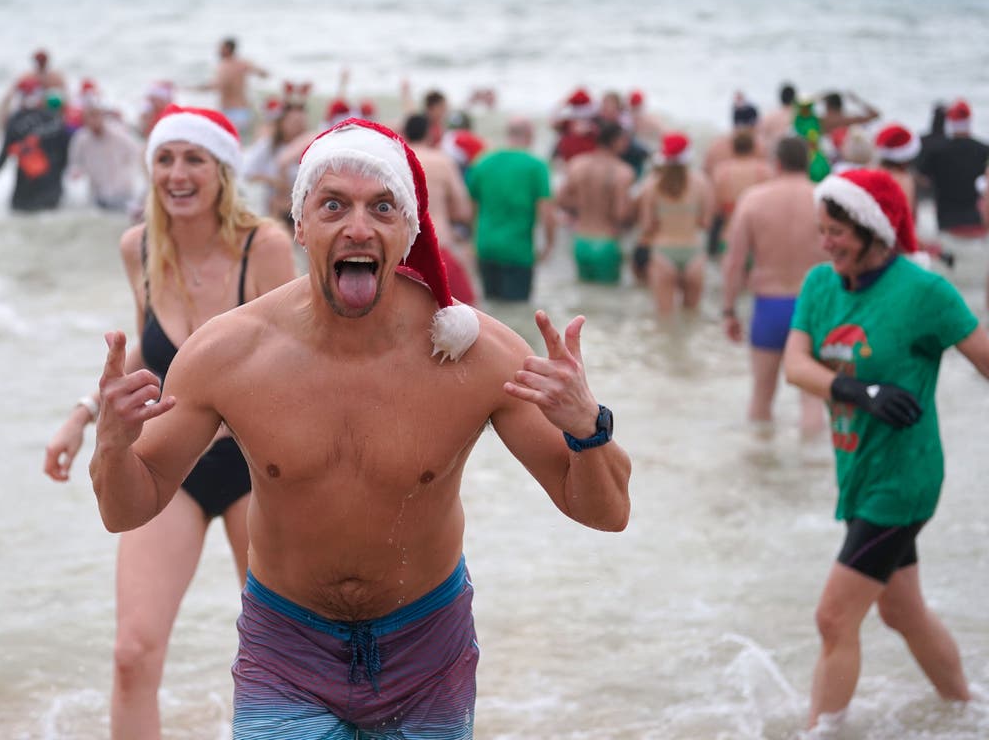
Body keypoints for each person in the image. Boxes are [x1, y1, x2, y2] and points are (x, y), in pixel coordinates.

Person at [87, 117, 632, 739]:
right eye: (333, 205)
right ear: (299, 224)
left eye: (382, 207)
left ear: (409, 230)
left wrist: (588, 427)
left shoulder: (479, 355)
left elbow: (607, 513)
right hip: (286, 646)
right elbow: (126, 510)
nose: (357, 227)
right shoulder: (228, 354)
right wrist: (112, 445)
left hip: (427, 647)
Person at [44, 105, 297, 740]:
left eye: (193, 159)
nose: (177, 174)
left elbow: (295, 367)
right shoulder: (138, 247)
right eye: (165, 159)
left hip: (256, 469)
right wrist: (82, 413)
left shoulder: (263, 247)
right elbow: (150, 354)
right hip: (167, 466)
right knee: (132, 654)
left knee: (280, 662)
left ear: (223, 171)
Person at [783, 168, 989, 732]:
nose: (826, 244)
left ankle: (822, 732)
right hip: (859, 471)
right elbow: (795, 365)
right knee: (900, 610)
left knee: (833, 618)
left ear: (873, 231)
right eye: (822, 231)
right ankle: (968, 708)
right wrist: (859, 391)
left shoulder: (924, 293)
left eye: (837, 233)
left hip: (904, 480)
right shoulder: (821, 285)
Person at [720, 136, 826, 431]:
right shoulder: (823, 198)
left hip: (769, 305)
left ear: (776, 163)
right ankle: (812, 460)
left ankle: (759, 457)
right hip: (812, 305)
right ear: (807, 161)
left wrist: (729, 310)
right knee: (812, 397)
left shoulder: (754, 199)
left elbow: (734, 261)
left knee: (762, 394)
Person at [467, 116, 555, 302]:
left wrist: (473, 242)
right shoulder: (536, 166)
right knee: (516, 310)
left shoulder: (482, 162)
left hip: (486, 247)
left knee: (491, 309)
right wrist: (548, 245)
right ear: (530, 136)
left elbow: (471, 208)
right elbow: (546, 212)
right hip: (518, 251)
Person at [634, 133, 715, 314]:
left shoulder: (651, 185)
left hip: (663, 252)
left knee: (664, 317)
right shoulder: (702, 182)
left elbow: (646, 225)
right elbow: (706, 223)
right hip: (694, 252)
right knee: (692, 315)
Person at [402, 113, 477, 304]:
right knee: (462, 311)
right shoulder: (442, 161)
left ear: (405, 133)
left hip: (401, 249)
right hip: (438, 244)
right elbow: (463, 211)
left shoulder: (396, 159)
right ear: (429, 134)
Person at [555, 121, 635, 284]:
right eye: (624, 140)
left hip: (580, 241)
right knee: (606, 295)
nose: (627, 144)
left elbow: (561, 200)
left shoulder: (577, 164)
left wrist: (584, 205)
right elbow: (620, 213)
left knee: (585, 292)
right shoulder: (623, 171)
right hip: (606, 241)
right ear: (614, 141)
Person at [0, 77, 72, 212]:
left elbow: (3, 157)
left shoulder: (15, 121)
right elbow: (67, 155)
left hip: (26, 193)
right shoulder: (54, 118)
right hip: (51, 190)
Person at [918, 100, 989, 236]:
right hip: (978, 222)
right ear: (970, 120)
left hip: (947, 222)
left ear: (950, 121)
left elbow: (922, 179)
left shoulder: (936, 151)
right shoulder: (984, 150)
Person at [66, 97, 144, 213]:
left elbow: (138, 152)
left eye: (96, 115)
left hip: (122, 191)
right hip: (97, 193)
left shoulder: (118, 133)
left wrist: (128, 166)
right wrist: (76, 171)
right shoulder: (81, 139)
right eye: (89, 116)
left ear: (103, 116)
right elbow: (74, 163)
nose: (93, 120)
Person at [708, 122, 773, 256]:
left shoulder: (721, 172)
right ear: (754, 147)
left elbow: (715, 210)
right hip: (758, 238)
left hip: (730, 234)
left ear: (732, 147)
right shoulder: (765, 171)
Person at [197, 37, 268, 140]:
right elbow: (263, 73)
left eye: (221, 48)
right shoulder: (243, 63)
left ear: (227, 49)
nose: (218, 50)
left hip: (230, 113)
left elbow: (216, 85)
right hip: (245, 112)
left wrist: (195, 89)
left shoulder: (223, 66)